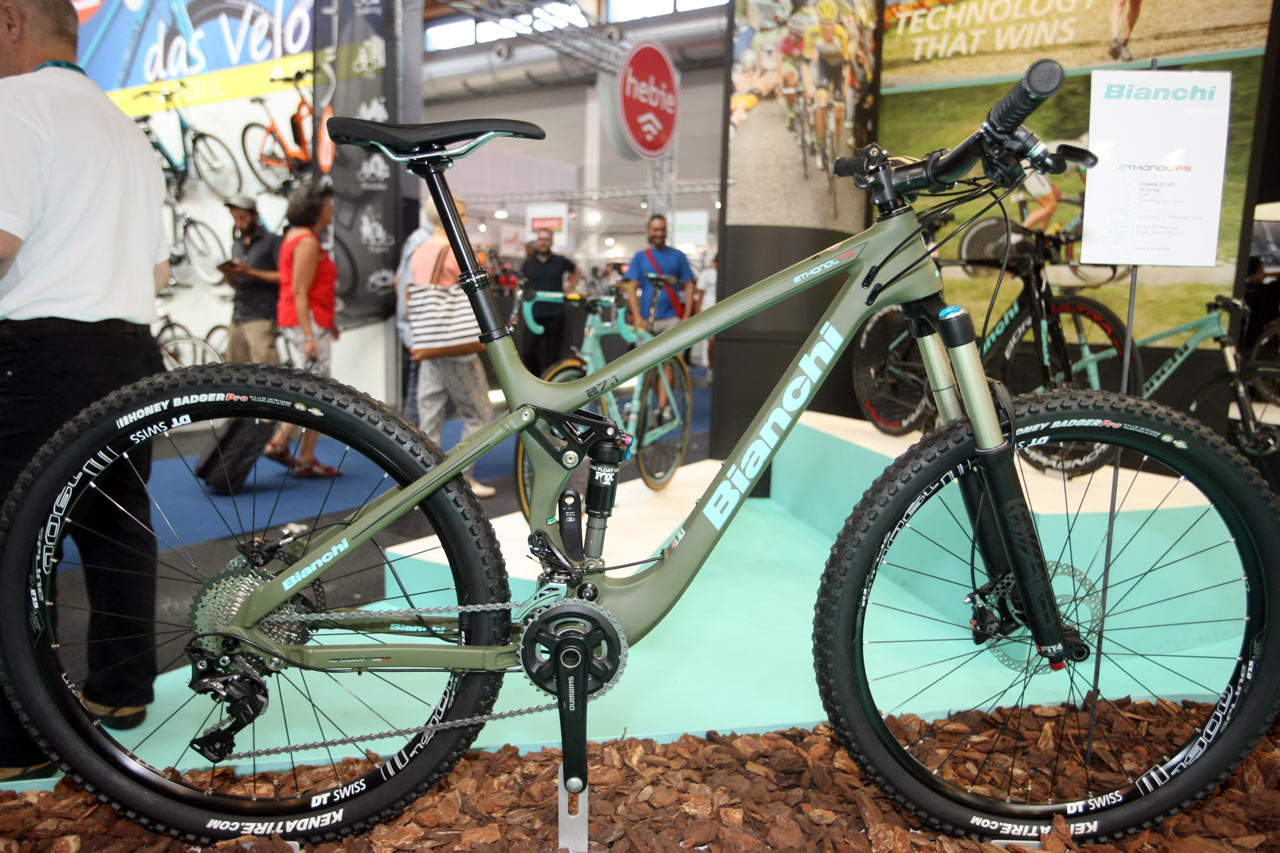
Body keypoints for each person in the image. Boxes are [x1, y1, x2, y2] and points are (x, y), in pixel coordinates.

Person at [0, 0, 168, 780]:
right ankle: (122, 689)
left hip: (39, 352)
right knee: (117, 525)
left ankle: (13, 739)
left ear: (11, 21)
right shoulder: (128, 129)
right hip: (129, 350)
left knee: (13, 539)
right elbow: (159, 270)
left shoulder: (15, 104)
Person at [409, 199, 496, 498]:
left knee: (430, 417)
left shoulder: (420, 250)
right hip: (457, 347)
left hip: (431, 344)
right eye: (462, 215)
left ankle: (426, 485)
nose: (466, 220)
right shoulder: (455, 251)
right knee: (480, 414)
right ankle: (462, 480)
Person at [264, 182, 341, 478]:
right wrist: (310, 335)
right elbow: (300, 291)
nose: (332, 209)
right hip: (306, 323)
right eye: (328, 204)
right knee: (317, 393)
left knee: (310, 389)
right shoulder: (307, 241)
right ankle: (297, 452)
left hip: (307, 321)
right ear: (316, 208)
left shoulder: (296, 236)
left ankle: (286, 444)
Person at [221, 195, 281, 364]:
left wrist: (249, 272)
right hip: (238, 316)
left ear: (255, 215)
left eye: (243, 218)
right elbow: (237, 284)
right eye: (235, 219)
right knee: (234, 370)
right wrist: (230, 275)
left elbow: (283, 276)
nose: (239, 223)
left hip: (261, 316)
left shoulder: (272, 241)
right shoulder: (237, 245)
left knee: (267, 371)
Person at [519, 228, 580, 376]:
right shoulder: (528, 264)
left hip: (555, 313)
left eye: (546, 239)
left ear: (551, 242)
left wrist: (569, 287)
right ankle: (539, 379)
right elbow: (523, 286)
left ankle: (551, 381)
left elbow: (577, 272)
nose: (543, 242)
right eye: (541, 239)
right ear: (537, 241)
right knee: (528, 353)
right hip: (533, 314)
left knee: (553, 356)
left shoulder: (560, 261)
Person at [625, 214, 696, 335]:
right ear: (649, 231)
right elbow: (632, 287)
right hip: (646, 319)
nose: (659, 233)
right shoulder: (640, 257)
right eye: (655, 230)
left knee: (674, 347)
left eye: (662, 229)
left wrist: (686, 316)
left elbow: (689, 285)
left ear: (666, 231)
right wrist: (636, 316)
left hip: (673, 318)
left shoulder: (678, 256)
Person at [394, 216, 432, 427]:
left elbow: (399, 281)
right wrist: (415, 327)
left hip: (420, 330)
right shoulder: (422, 241)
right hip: (421, 332)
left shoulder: (421, 239)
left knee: (422, 394)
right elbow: (407, 286)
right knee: (418, 396)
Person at [691, 254, 719, 371]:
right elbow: (700, 293)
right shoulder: (707, 274)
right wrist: (697, 312)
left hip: (720, 309)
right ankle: (708, 366)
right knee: (709, 339)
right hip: (708, 309)